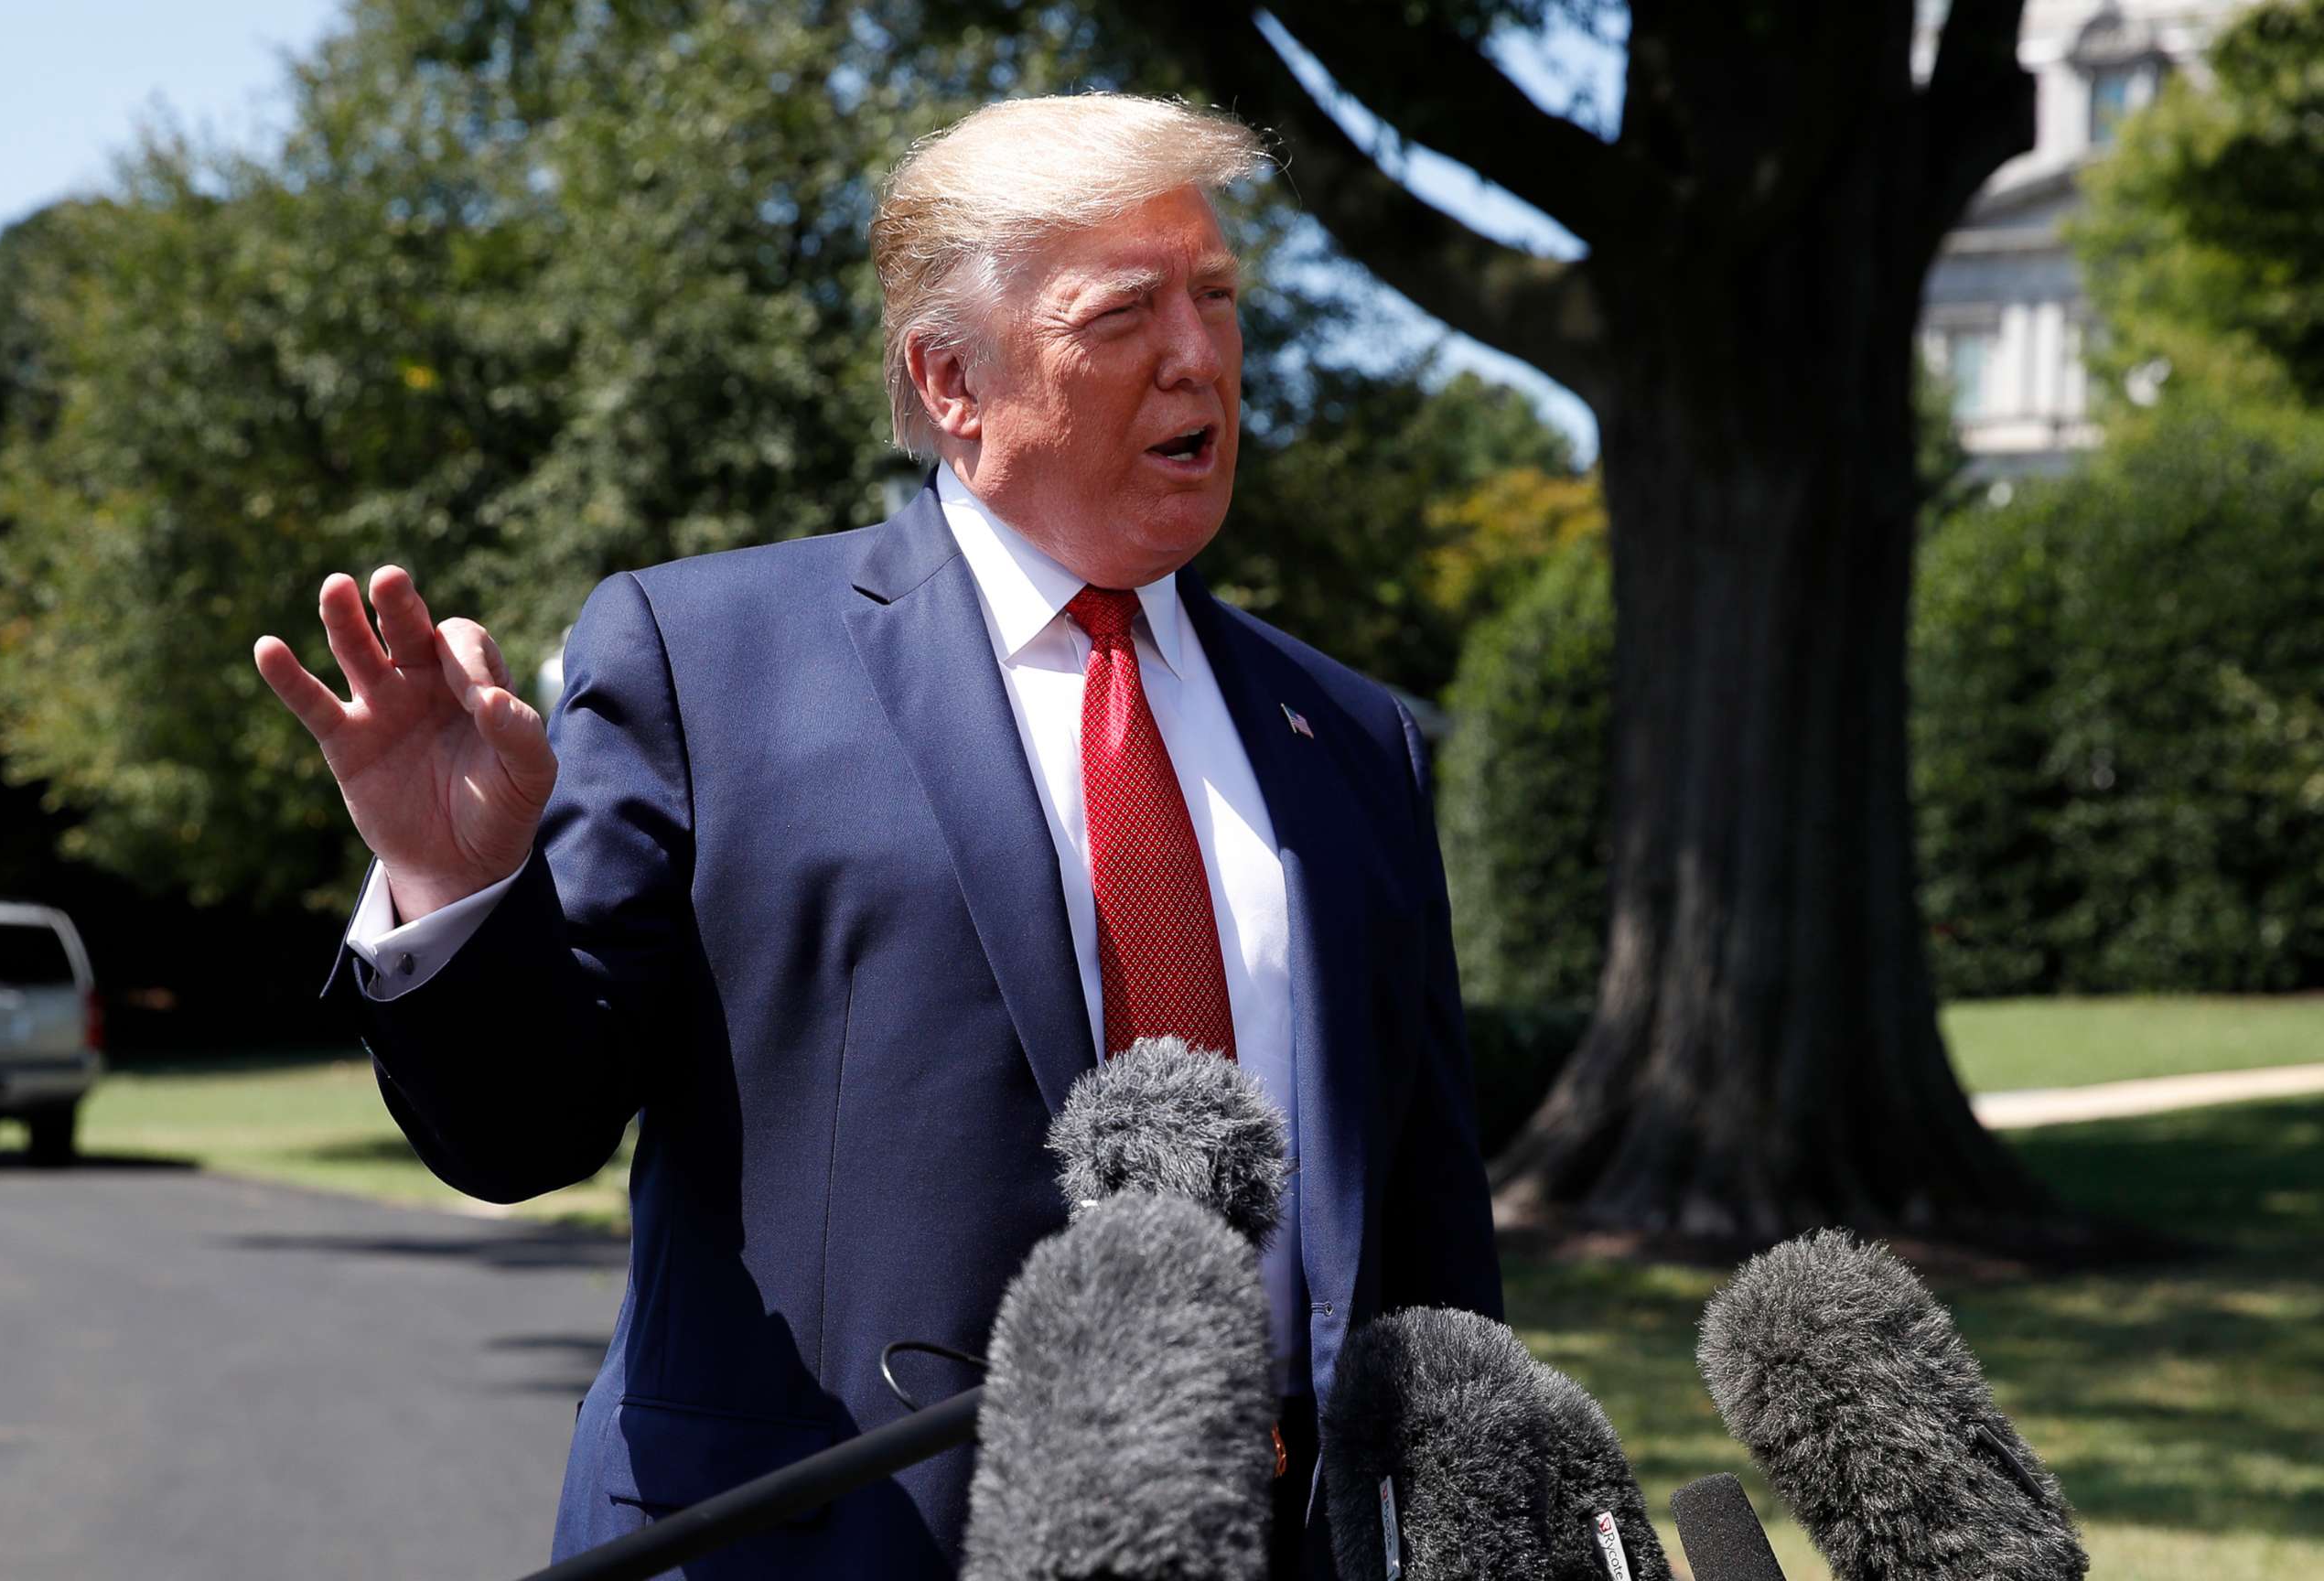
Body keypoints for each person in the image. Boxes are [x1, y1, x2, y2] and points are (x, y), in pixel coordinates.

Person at [253, 93, 1501, 1580]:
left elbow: (1427, 1224)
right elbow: (522, 1132)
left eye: (1218, 296)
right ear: (951, 379)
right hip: (834, 1546)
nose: (1201, 355)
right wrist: (461, 887)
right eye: (1125, 315)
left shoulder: (1349, 737)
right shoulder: (706, 657)